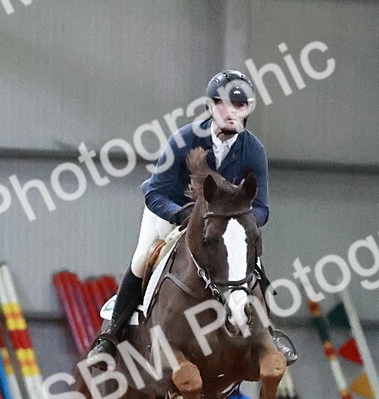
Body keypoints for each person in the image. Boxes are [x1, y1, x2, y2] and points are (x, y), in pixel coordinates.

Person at [87, 70, 293, 366]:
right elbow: (154, 192)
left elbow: (262, 208)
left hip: (223, 225)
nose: (231, 112)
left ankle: (267, 334)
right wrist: (181, 215)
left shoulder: (254, 150)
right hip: (170, 211)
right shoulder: (184, 139)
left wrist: (241, 222)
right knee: (143, 257)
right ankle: (110, 336)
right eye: (224, 105)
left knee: (254, 265)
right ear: (211, 106)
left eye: (239, 106)